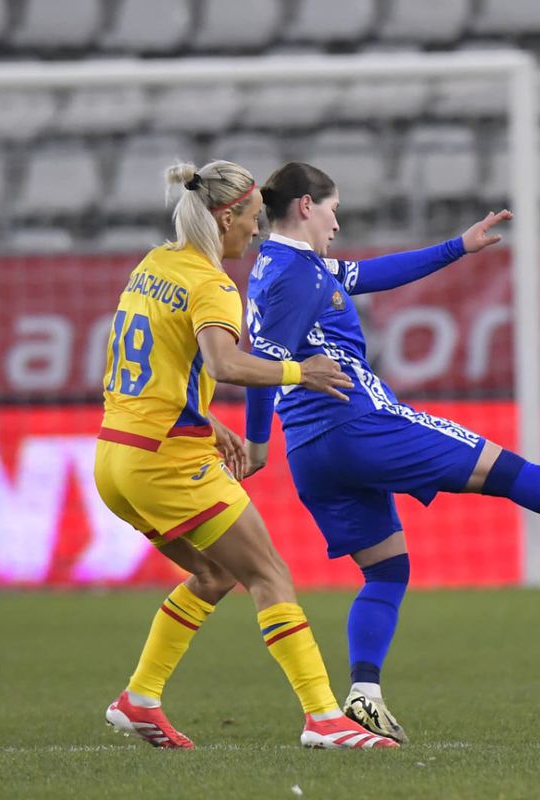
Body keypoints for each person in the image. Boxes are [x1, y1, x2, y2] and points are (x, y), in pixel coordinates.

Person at [242, 161, 540, 744]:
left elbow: (369, 275)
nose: (337, 223)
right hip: (359, 424)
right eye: (333, 210)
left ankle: (364, 695)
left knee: (386, 570)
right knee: (513, 473)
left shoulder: (278, 266)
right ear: (307, 206)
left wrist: (459, 247)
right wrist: (254, 443)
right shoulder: (300, 275)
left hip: (309, 450)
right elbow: (256, 363)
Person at [94, 159, 395, 750]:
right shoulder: (211, 285)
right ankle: (324, 718)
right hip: (166, 461)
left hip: (115, 457)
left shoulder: (153, 264)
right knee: (269, 574)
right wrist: (298, 372)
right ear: (225, 216)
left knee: (214, 573)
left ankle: (140, 699)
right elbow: (227, 364)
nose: (256, 232)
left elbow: (148, 366)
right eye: (253, 220)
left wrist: (205, 421)